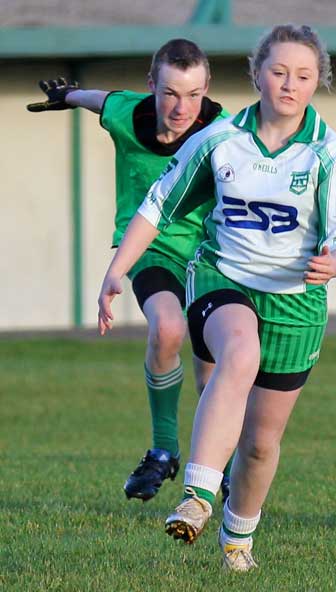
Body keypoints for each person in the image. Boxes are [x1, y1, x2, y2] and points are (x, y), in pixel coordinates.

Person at [97, 24, 336, 571]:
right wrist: (116, 271)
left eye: (304, 75)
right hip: (224, 279)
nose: (289, 84)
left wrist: (334, 263)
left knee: (262, 445)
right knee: (238, 353)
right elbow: (157, 204)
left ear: (318, 83)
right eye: (278, 71)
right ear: (257, 74)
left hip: (297, 303)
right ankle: (197, 493)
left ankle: (238, 539)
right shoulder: (219, 138)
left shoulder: (329, 154)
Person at [27, 38, 233, 503]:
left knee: (211, 367)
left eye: (194, 94)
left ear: (207, 89)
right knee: (166, 330)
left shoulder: (223, 130)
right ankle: (163, 451)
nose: (182, 107)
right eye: (170, 93)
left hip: (209, 256)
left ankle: (223, 466)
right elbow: (99, 100)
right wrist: (67, 95)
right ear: (151, 86)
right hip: (148, 251)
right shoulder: (127, 114)